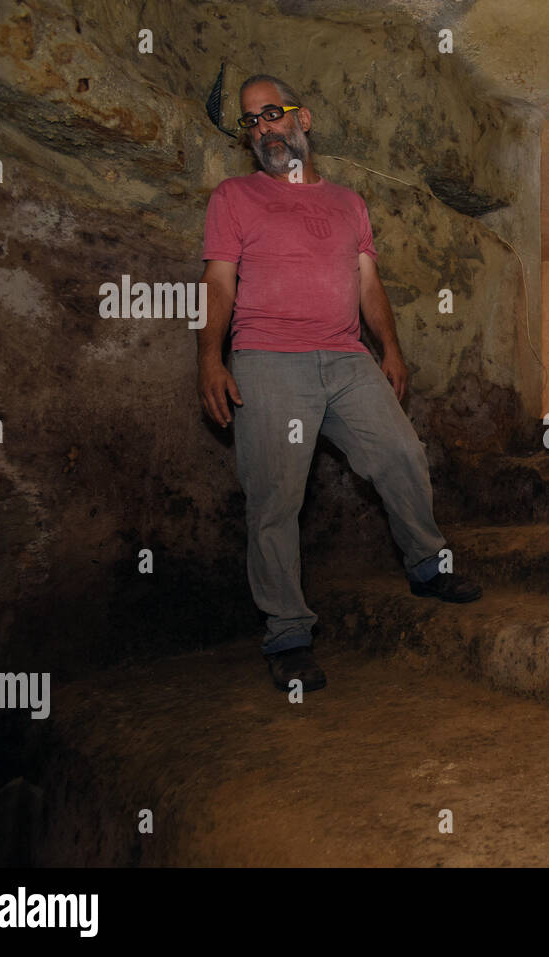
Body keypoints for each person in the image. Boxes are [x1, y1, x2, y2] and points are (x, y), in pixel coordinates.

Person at [196, 73, 481, 694]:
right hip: (267, 361)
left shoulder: (349, 203)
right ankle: (289, 635)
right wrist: (209, 359)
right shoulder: (234, 197)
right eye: (250, 121)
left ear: (304, 116)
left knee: (402, 454)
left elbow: (368, 284)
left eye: (272, 113)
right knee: (274, 499)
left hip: (347, 359)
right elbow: (219, 283)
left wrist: (392, 349)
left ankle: (428, 565)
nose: (263, 128)